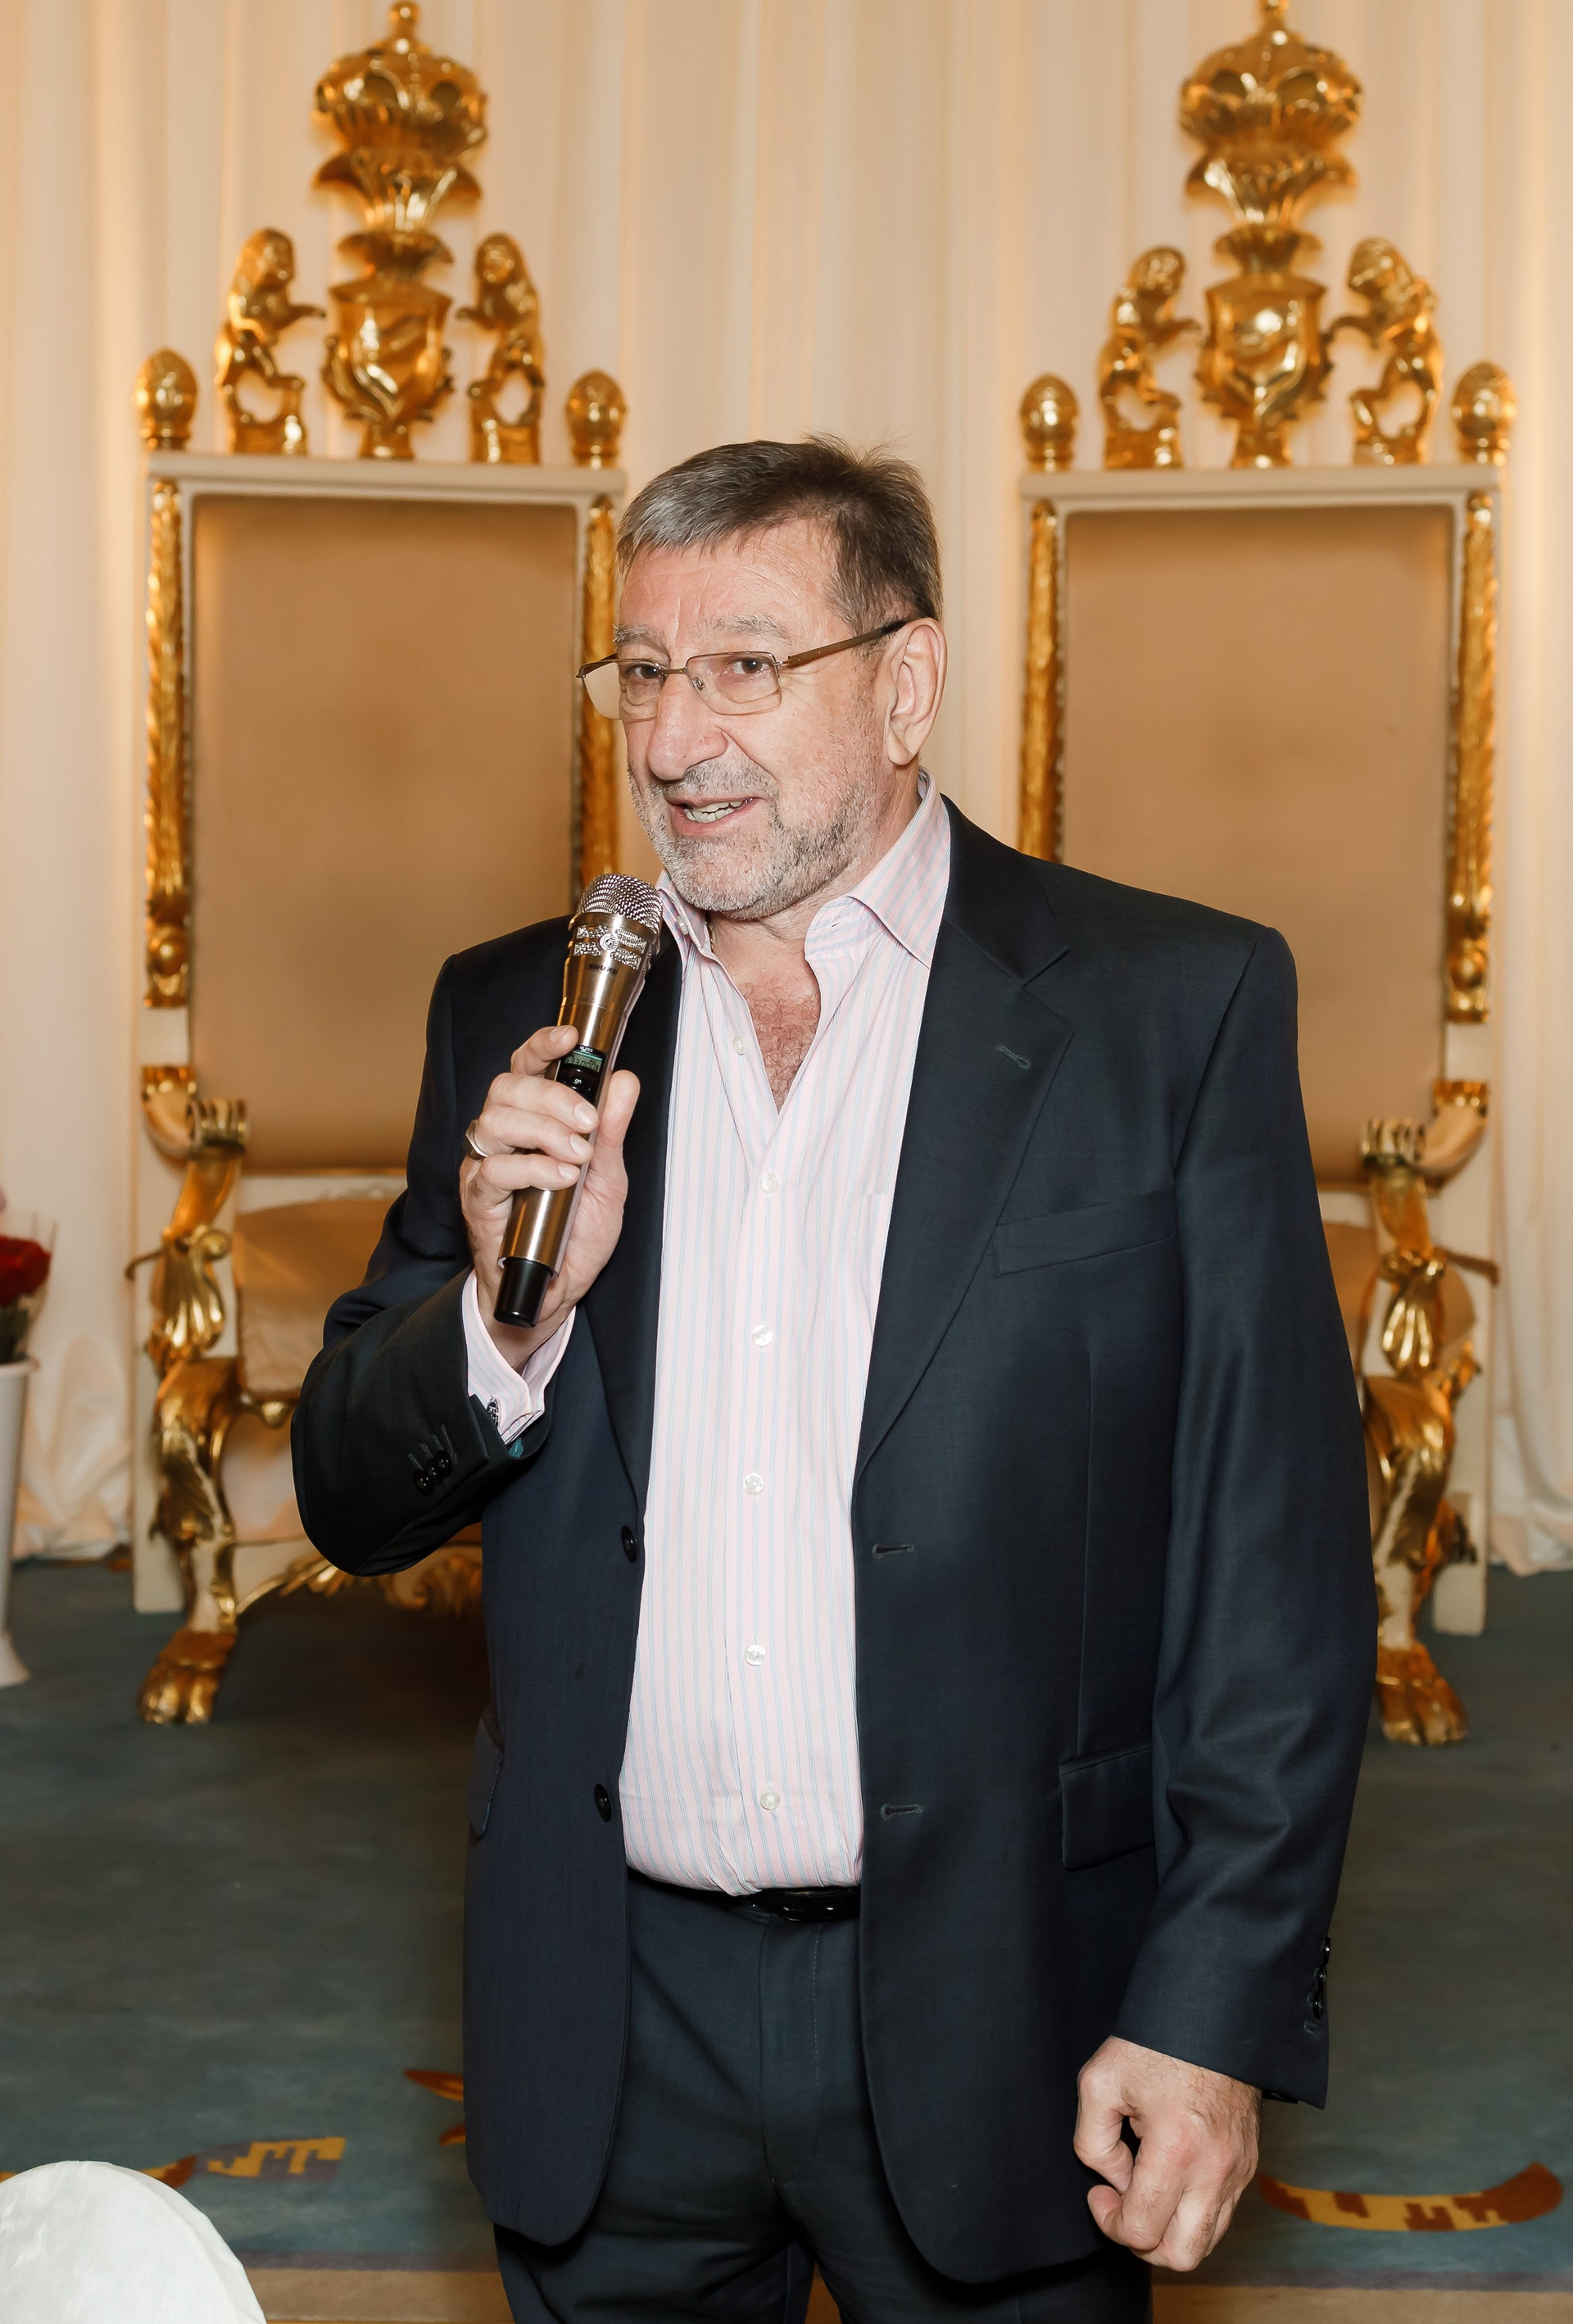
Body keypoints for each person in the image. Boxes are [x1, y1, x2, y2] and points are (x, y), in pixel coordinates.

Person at [293, 438, 1373, 2324]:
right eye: (643, 671)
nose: (674, 738)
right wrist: (508, 1318)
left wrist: (1211, 2009)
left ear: (907, 682)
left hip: (1009, 2009)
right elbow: (349, 1495)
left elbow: (1272, 1583)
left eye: (744, 666)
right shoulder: (525, 1013)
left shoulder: (1165, 1012)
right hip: (613, 2027)